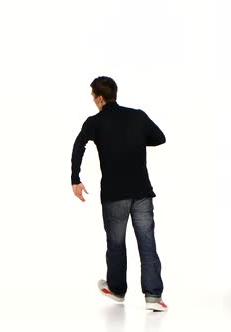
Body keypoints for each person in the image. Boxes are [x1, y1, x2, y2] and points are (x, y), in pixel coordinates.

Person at [70, 76, 168, 312]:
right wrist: (133, 140)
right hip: (142, 192)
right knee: (147, 243)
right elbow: (159, 138)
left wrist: (75, 179)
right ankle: (154, 298)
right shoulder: (137, 116)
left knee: (116, 243)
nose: (93, 101)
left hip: (115, 194)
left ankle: (116, 289)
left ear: (100, 98)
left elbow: (78, 145)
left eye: (93, 96)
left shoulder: (95, 121)